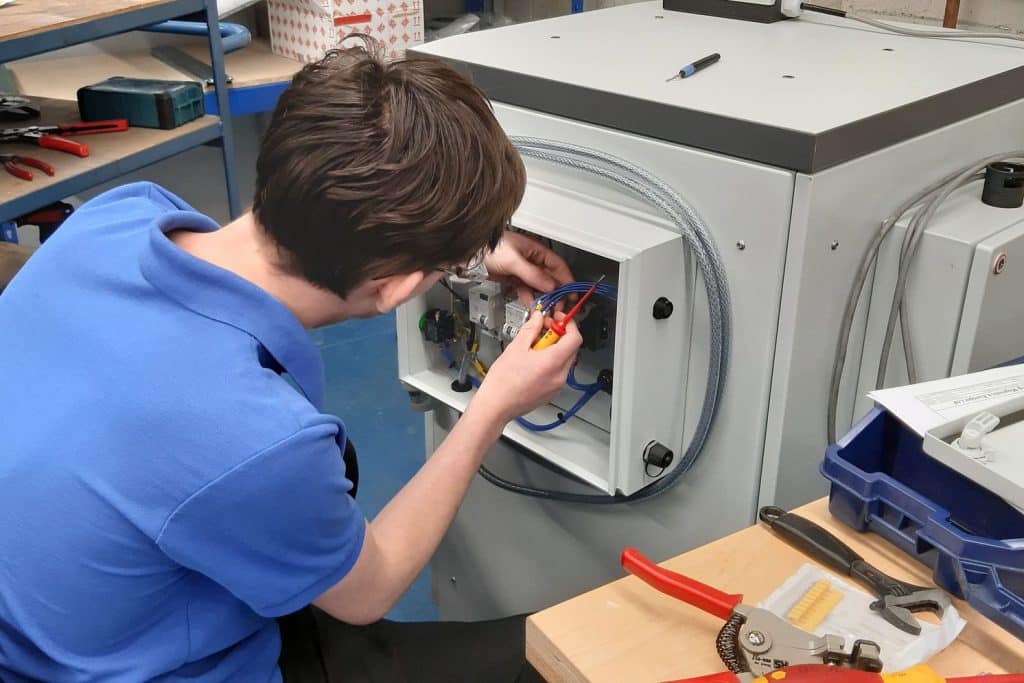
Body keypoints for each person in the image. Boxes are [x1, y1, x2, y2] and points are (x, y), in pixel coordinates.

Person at [0, 44, 582, 683]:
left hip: (51, 628)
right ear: (393, 288)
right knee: (555, 659)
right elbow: (369, 591)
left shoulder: (115, 219)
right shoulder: (256, 439)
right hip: (156, 666)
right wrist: (493, 404)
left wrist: (457, 252)